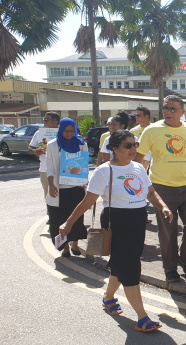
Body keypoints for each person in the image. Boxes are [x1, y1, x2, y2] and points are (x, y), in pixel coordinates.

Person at [59, 130, 173, 332]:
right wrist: (68, 223)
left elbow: (151, 192)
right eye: (128, 145)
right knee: (130, 267)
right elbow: (87, 202)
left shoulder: (138, 167)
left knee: (123, 263)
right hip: (116, 222)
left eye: (134, 145)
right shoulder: (104, 171)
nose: (133, 149)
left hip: (137, 221)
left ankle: (108, 297)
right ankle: (142, 317)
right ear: (114, 148)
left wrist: (162, 206)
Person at [134, 95, 186, 283]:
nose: (168, 112)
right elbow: (138, 158)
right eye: (165, 108)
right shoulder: (151, 131)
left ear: (182, 112)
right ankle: (170, 267)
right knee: (167, 230)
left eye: (173, 109)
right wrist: (137, 184)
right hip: (162, 188)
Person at [46, 118, 89, 257]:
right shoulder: (53, 145)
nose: (69, 134)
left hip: (76, 188)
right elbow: (50, 168)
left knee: (76, 218)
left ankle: (75, 243)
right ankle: (64, 247)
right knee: (60, 219)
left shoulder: (81, 144)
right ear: (61, 130)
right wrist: (51, 185)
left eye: (72, 131)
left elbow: (84, 165)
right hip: (59, 190)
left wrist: (84, 180)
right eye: (66, 131)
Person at [29, 111, 61, 200]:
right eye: (44, 119)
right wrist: (36, 151)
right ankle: (50, 213)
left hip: (62, 169)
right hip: (45, 169)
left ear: (55, 122)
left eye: (46, 119)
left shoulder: (64, 133)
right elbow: (30, 147)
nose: (44, 121)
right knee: (49, 196)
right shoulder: (39, 133)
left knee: (62, 196)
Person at [130, 106, 153, 170]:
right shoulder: (133, 131)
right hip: (140, 159)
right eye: (136, 115)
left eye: (139, 115)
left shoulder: (155, 128)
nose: (136, 117)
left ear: (147, 116)